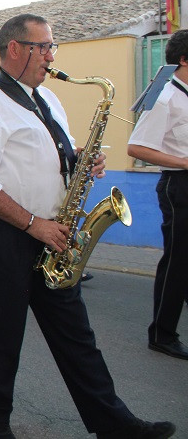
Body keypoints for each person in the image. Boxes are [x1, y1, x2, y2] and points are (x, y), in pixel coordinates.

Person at [0, 13, 176, 439]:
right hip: (6, 234)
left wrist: (80, 160)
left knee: (77, 335)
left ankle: (113, 422)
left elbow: (49, 152)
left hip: (52, 231)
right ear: (15, 49)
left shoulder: (48, 98)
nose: (51, 56)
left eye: (52, 47)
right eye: (44, 47)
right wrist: (35, 225)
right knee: (5, 333)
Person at [128, 29, 188, 361]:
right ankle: (162, 334)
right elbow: (137, 147)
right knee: (177, 263)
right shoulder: (165, 98)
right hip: (179, 185)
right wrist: (183, 161)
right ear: (183, 59)